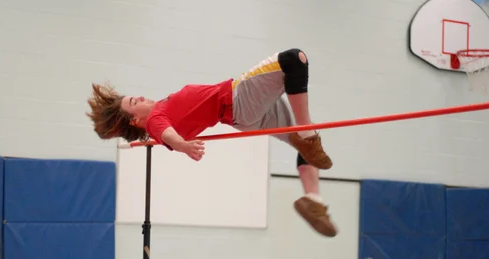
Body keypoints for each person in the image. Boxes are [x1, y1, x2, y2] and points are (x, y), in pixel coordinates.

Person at [86, 49, 338, 237]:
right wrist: (183, 146)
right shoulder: (154, 119)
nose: (140, 97)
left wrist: (181, 142)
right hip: (237, 100)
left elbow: (169, 132)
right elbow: (166, 134)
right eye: (134, 102)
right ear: (134, 120)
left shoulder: (159, 110)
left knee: (301, 137)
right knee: (294, 59)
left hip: (244, 115)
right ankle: (307, 136)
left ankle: (314, 200)